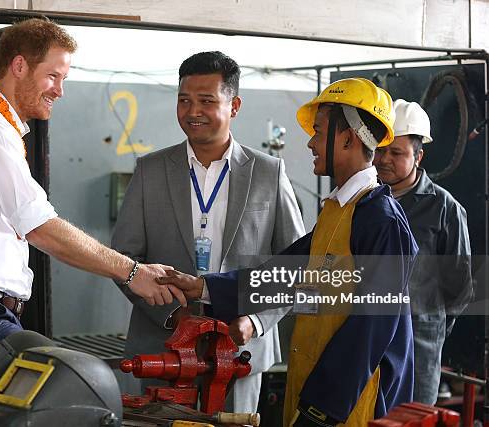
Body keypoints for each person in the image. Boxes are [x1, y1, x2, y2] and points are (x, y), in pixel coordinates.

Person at [0, 18, 185, 386]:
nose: (60, 90)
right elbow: (41, 227)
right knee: (65, 392)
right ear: (19, 66)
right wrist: (132, 271)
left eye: (64, 79)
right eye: (54, 76)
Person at [159, 78, 418, 426]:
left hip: (350, 405)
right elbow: (281, 275)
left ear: (348, 138)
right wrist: (202, 287)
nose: (311, 142)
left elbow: (372, 327)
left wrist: (321, 410)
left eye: (320, 131)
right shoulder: (339, 212)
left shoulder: (381, 221)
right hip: (319, 395)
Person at [111, 51, 305, 413]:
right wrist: (173, 315)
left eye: (206, 101)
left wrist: (256, 321)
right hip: (164, 342)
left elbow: (294, 266)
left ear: (234, 106)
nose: (192, 111)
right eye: (184, 100)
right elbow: (124, 259)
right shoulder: (151, 170)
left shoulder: (268, 173)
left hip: (240, 345)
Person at [373, 99, 473, 404]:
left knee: (411, 419)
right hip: (366, 340)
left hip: (420, 346)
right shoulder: (362, 200)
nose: (384, 159)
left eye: (396, 153)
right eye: (379, 150)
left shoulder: (444, 208)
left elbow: (460, 287)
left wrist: (429, 324)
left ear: (419, 156)